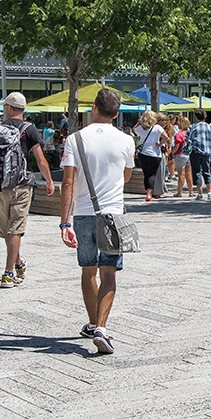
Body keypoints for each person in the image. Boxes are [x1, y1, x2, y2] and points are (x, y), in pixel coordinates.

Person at [59, 87, 133, 355]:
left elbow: (68, 181)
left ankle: (93, 323)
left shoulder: (75, 139)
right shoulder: (126, 140)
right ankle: (101, 328)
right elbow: (126, 177)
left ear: (93, 108)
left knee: (88, 270)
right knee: (109, 272)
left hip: (83, 213)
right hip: (113, 214)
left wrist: (64, 222)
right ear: (116, 113)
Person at [0, 92, 57, 288]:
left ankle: (14, 266)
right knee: (15, 229)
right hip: (22, 185)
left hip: (0, 185)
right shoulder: (29, 129)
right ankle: (12, 269)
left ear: (8, 108)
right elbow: (40, 160)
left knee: (8, 230)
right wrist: (49, 181)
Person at [132, 111, 167, 202]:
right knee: (152, 174)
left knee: (146, 174)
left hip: (143, 153)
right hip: (155, 154)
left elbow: (134, 129)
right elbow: (166, 137)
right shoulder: (157, 127)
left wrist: (141, 121)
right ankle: (149, 193)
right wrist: (160, 144)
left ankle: (148, 192)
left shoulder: (140, 128)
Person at [185, 111, 211, 199]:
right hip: (206, 151)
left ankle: (200, 193)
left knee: (197, 171)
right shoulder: (209, 127)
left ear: (196, 117)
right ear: (205, 116)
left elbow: (186, 138)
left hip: (195, 151)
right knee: (207, 171)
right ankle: (210, 192)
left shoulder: (192, 127)